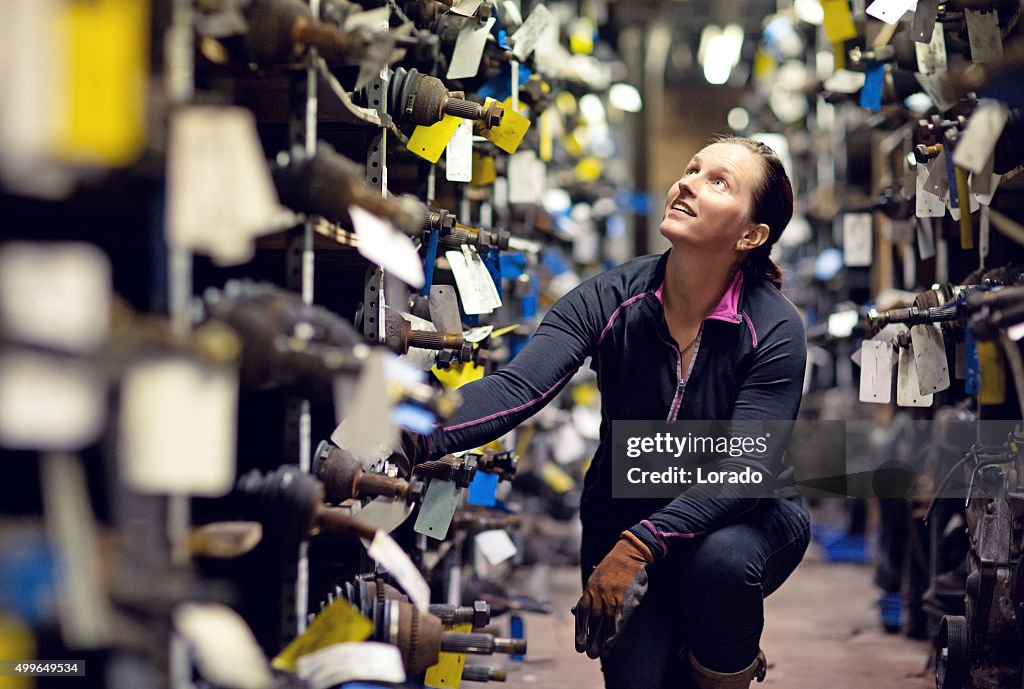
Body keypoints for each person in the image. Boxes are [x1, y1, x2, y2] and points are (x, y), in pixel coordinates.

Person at [411, 136, 811, 689]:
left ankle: (725, 654)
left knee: (720, 569)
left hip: (744, 518)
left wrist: (637, 545)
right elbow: (516, 389)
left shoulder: (773, 326)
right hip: (625, 513)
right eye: (692, 169)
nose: (688, 182)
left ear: (751, 235)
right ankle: (698, 635)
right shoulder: (611, 298)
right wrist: (409, 433)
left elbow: (745, 471)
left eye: (719, 181)